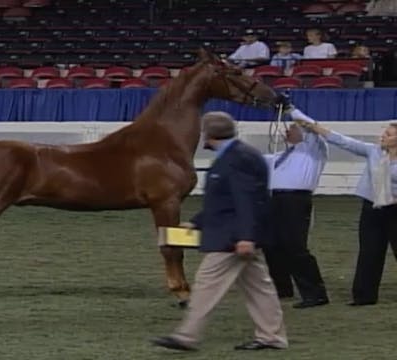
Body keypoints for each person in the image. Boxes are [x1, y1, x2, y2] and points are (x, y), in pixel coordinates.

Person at [151, 111, 287, 352]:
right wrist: (196, 222)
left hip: (232, 238)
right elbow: (227, 201)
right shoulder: (238, 155)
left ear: (209, 134)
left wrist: (246, 236)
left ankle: (187, 336)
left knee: (206, 284)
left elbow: (245, 201)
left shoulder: (236, 159)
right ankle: (271, 336)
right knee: (259, 288)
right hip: (238, 235)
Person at [293, 109, 397, 306]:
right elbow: (343, 141)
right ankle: (364, 296)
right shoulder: (373, 151)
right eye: (384, 133)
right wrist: (315, 128)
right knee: (369, 251)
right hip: (372, 208)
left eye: (388, 134)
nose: (382, 136)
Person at [263, 109, 329, 309]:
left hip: (296, 201)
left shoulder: (314, 149)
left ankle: (315, 293)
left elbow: (309, 123)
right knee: (271, 245)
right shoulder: (280, 155)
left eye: (292, 128)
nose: (287, 131)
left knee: (295, 246)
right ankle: (282, 288)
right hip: (275, 199)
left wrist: (290, 109)